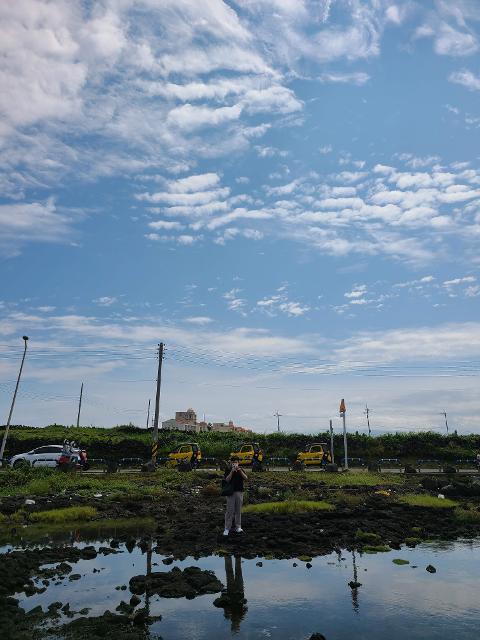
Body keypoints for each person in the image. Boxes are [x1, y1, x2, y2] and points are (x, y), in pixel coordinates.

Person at [223, 456, 247, 536]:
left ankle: (238, 527)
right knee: (229, 511)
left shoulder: (241, 469)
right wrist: (232, 472)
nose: (234, 464)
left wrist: (240, 471)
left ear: (238, 463)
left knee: (238, 511)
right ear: (231, 463)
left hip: (239, 492)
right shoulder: (228, 470)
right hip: (231, 492)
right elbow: (227, 480)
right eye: (233, 462)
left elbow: (246, 478)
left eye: (236, 462)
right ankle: (227, 528)